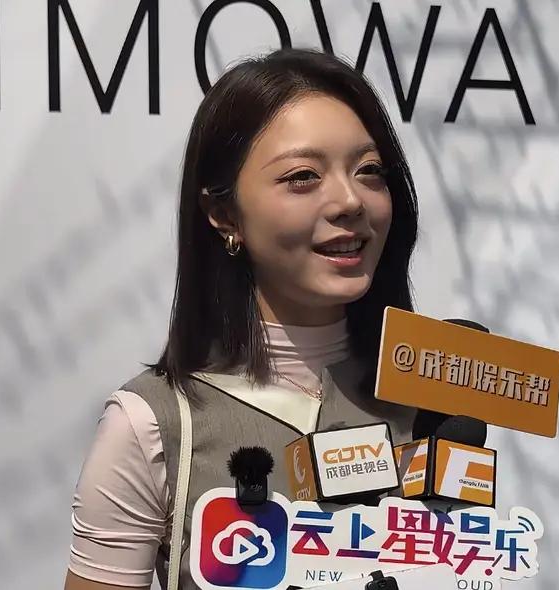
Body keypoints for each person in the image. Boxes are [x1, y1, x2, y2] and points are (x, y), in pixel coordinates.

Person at [64, 47, 421, 590]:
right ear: (224, 214)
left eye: (369, 171)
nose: (350, 200)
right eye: (303, 177)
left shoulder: (432, 403)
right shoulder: (153, 424)